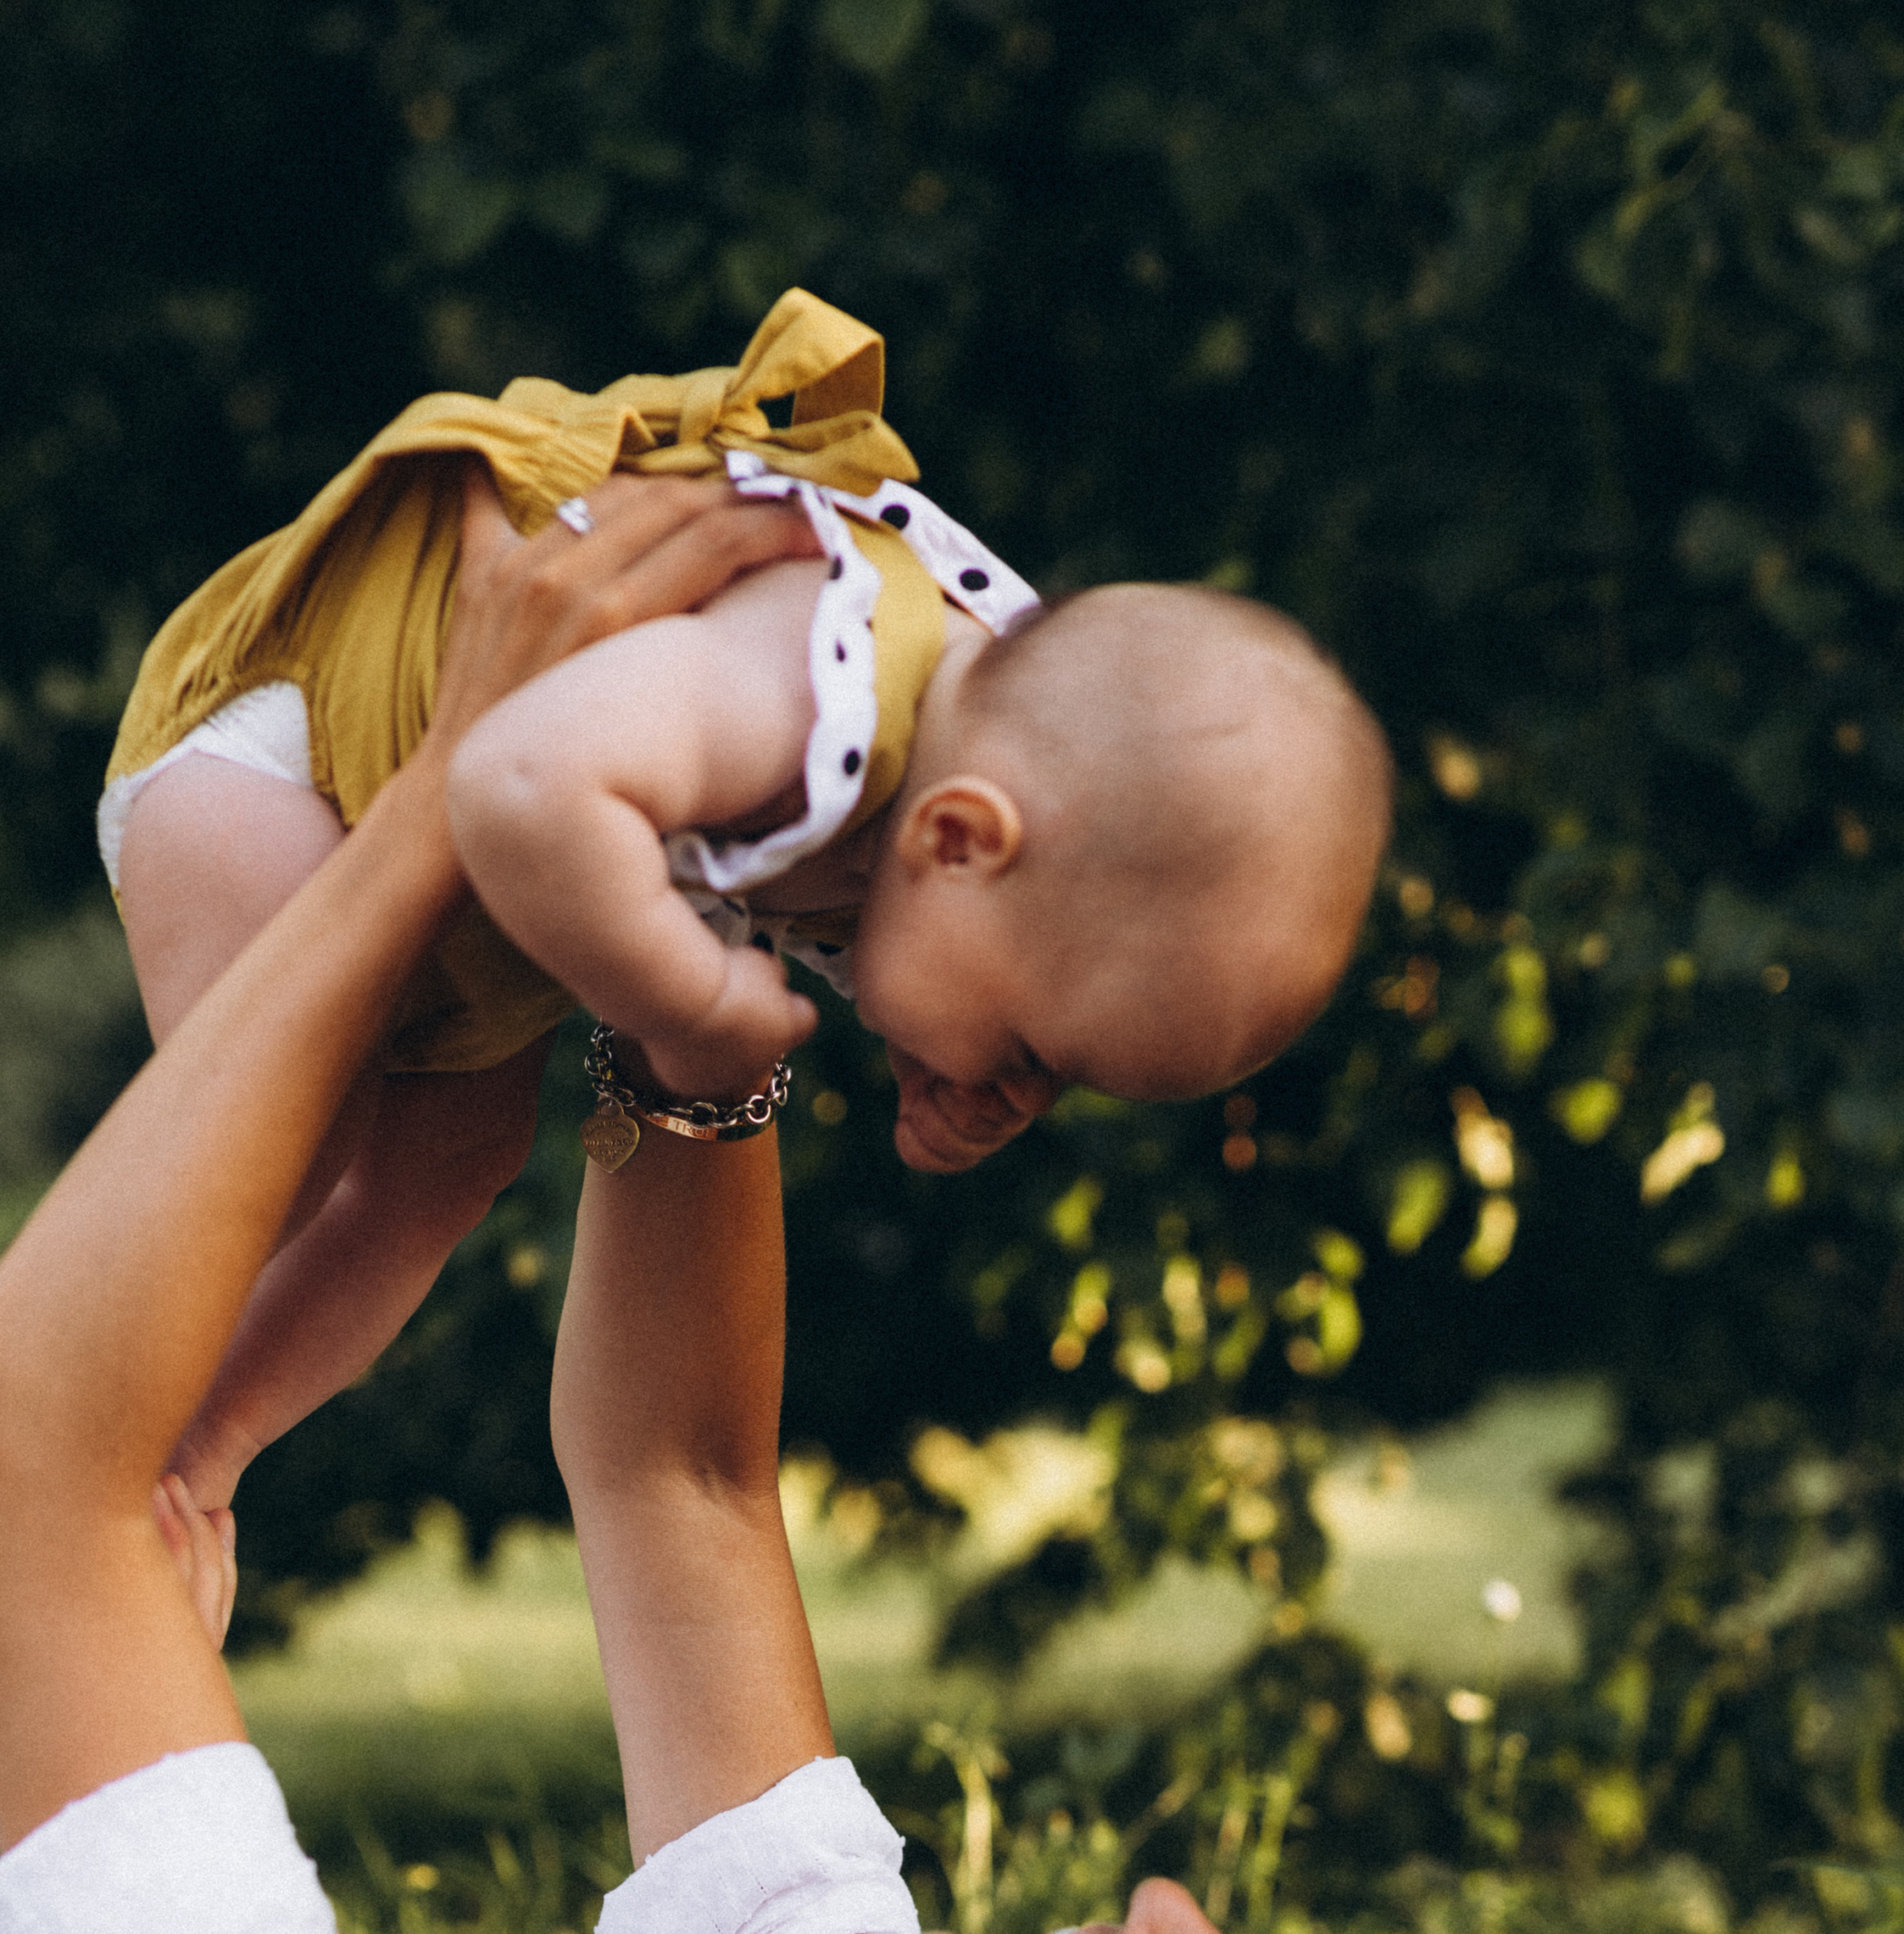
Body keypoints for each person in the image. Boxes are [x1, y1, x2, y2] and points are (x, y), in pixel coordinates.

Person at [0, 493, 1710, 1934]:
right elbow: (680, 1479)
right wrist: (691, 1017)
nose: (1177, 1905)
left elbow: (24, 1458)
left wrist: (445, 800)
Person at [100, 288, 1392, 1515]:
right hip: (281, 754)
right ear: (960, 840)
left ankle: (200, 1458)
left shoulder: (968, 777)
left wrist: (926, 1044)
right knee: (290, 1146)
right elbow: (521, 782)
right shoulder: (804, 680)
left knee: (449, 1166)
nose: (1018, 1096)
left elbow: (853, 908)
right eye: (1032, 1053)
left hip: (441, 890)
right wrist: (689, 999)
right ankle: (77, 1452)